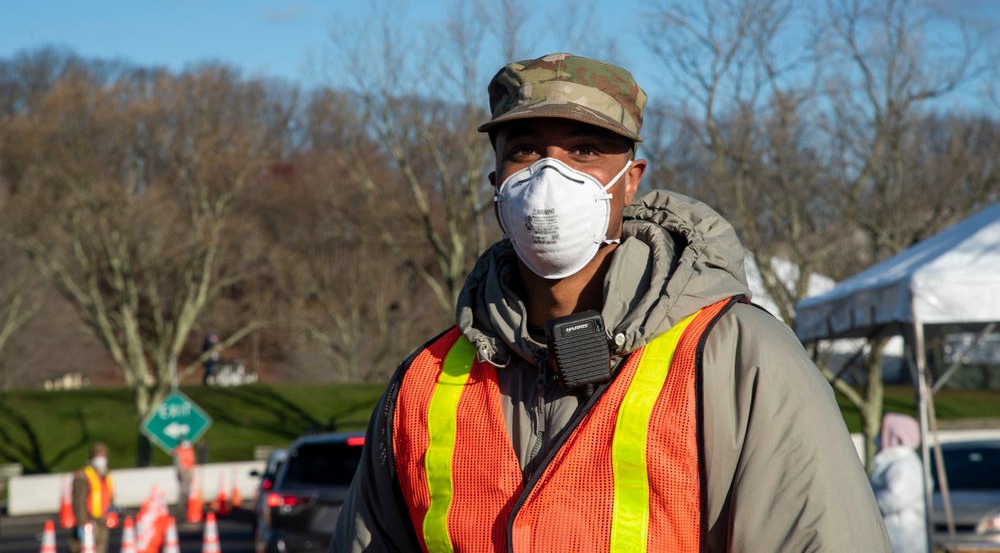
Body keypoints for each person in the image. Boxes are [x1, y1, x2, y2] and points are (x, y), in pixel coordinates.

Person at [331, 52, 891, 551]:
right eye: (526, 150)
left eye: (585, 150)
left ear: (630, 182)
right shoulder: (422, 385)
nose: (552, 175)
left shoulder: (738, 359)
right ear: (496, 182)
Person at [870, 413, 928, 553]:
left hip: (903, 539)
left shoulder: (904, 463)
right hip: (895, 536)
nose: (879, 435)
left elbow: (896, 498)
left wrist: (867, 501)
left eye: (882, 431)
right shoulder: (893, 461)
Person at [70, 442, 115, 553]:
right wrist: (82, 523)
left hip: (103, 522)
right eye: (98, 455)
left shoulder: (106, 475)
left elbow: (109, 498)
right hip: (89, 522)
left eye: (104, 456)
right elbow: (79, 502)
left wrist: (113, 514)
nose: (101, 459)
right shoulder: (84, 475)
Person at [172, 436, 197, 521]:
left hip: (189, 472)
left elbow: (192, 460)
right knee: (183, 490)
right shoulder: (179, 451)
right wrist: (181, 472)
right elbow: (178, 463)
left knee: (189, 490)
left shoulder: (189, 450)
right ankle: (182, 506)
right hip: (183, 473)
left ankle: (187, 504)